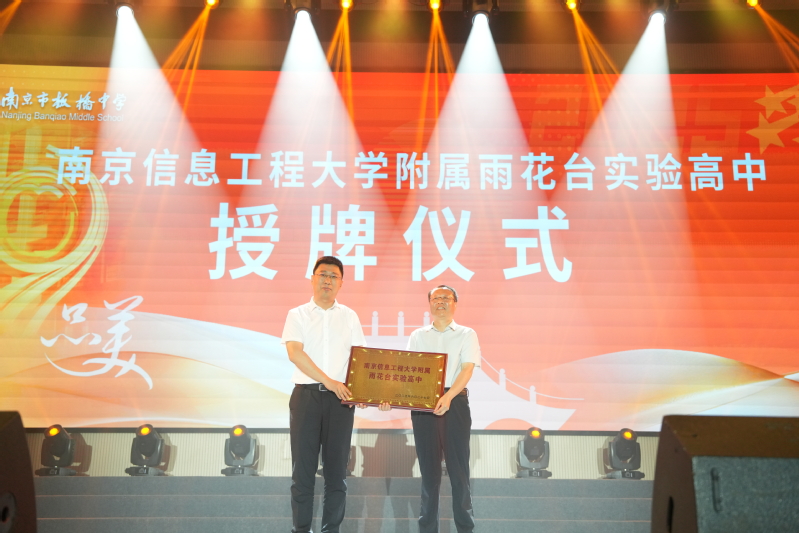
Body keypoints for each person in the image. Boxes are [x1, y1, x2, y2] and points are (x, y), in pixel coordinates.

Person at [381, 284, 480, 533]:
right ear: (429, 304)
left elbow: (467, 369)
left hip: (455, 403)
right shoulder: (418, 336)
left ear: (455, 303)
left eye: (446, 297)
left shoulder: (467, 334)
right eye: (436, 298)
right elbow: (407, 372)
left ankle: (465, 528)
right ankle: (427, 528)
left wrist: (448, 397)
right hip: (423, 404)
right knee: (429, 472)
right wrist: (388, 397)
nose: (441, 301)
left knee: (459, 471)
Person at [282, 256, 366, 533]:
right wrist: (329, 381)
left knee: (337, 474)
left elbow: (361, 361)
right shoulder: (297, 314)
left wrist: (365, 392)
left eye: (333, 276)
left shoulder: (350, 316)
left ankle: (332, 530)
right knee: (303, 472)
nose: (327, 280)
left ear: (341, 283)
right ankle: (301, 529)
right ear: (312, 278)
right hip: (306, 397)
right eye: (323, 274)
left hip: (341, 402)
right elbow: (295, 353)